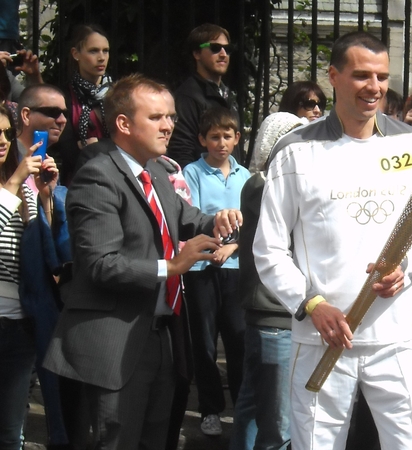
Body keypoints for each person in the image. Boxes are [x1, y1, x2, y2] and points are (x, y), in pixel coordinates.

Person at [253, 31, 412, 450]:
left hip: (395, 336)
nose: (373, 87)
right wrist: (311, 304)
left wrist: (405, 268)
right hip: (323, 336)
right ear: (334, 77)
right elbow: (268, 249)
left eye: (381, 76)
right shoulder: (296, 151)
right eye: (361, 75)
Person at [43, 74, 241, 450]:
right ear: (123, 124)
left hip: (160, 335)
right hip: (113, 341)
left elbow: (186, 218)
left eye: (170, 116)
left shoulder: (156, 173)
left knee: (154, 439)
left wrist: (222, 220)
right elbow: (101, 263)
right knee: (117, 440)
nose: (169, 125)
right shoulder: (97, 176)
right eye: (157, 117)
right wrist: (172, 267)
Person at [230, 111, 305, 450]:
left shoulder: (261, 182)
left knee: (251, 404)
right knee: (278, 421)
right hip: (276, 313)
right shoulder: (266, 185)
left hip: (269, 313)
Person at [182, 106, 249, 437]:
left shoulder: (245, 176)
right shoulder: (191, 173)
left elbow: (253, 222)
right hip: (201, 269)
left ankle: (241, 407)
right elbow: (190, 215)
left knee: (238, 340)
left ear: (237, 138)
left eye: (227, 136)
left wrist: (232, 248)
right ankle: (209, 408)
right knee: (205, 342)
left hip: (234, 269)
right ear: (202, 140)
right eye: (213, 137)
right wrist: (212, 248)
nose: (220, 143)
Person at [0, 103, 59, 450]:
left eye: (7, 133)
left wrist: (45, 198)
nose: (4, 141)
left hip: (20, 324)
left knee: (10, 432)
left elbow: (43, 249)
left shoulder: (20, 188)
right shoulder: (13, 184)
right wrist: (16, 180)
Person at [169, 24, 242, 168]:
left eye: (228, 49)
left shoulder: (227, 94)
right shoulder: (187, 95)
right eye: (215, 48)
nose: (223, 54)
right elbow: (181, 150)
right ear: (196, 53)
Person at [48, 24, 112, 187]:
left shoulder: (120, 94)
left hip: (118, 176)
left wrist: (96, 144)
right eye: (93, 51)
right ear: (76, 54)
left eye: (106, 51)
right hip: (81, 181)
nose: (101, 57)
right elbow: (67, 150)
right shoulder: (65, 96)